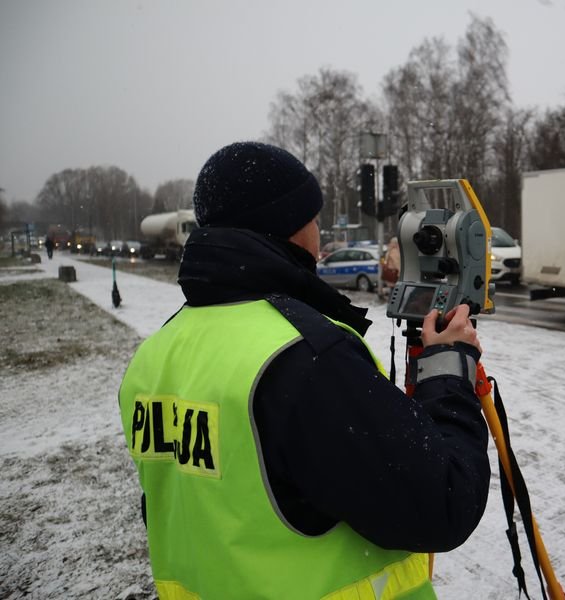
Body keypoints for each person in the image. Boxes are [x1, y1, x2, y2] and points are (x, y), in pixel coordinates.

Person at [118, 141, 489, 599]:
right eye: (313, 217)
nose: (319, 229)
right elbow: (445, 502)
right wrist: (448, 372)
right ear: (291, 228)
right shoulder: (305, 358)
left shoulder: (153, 356)